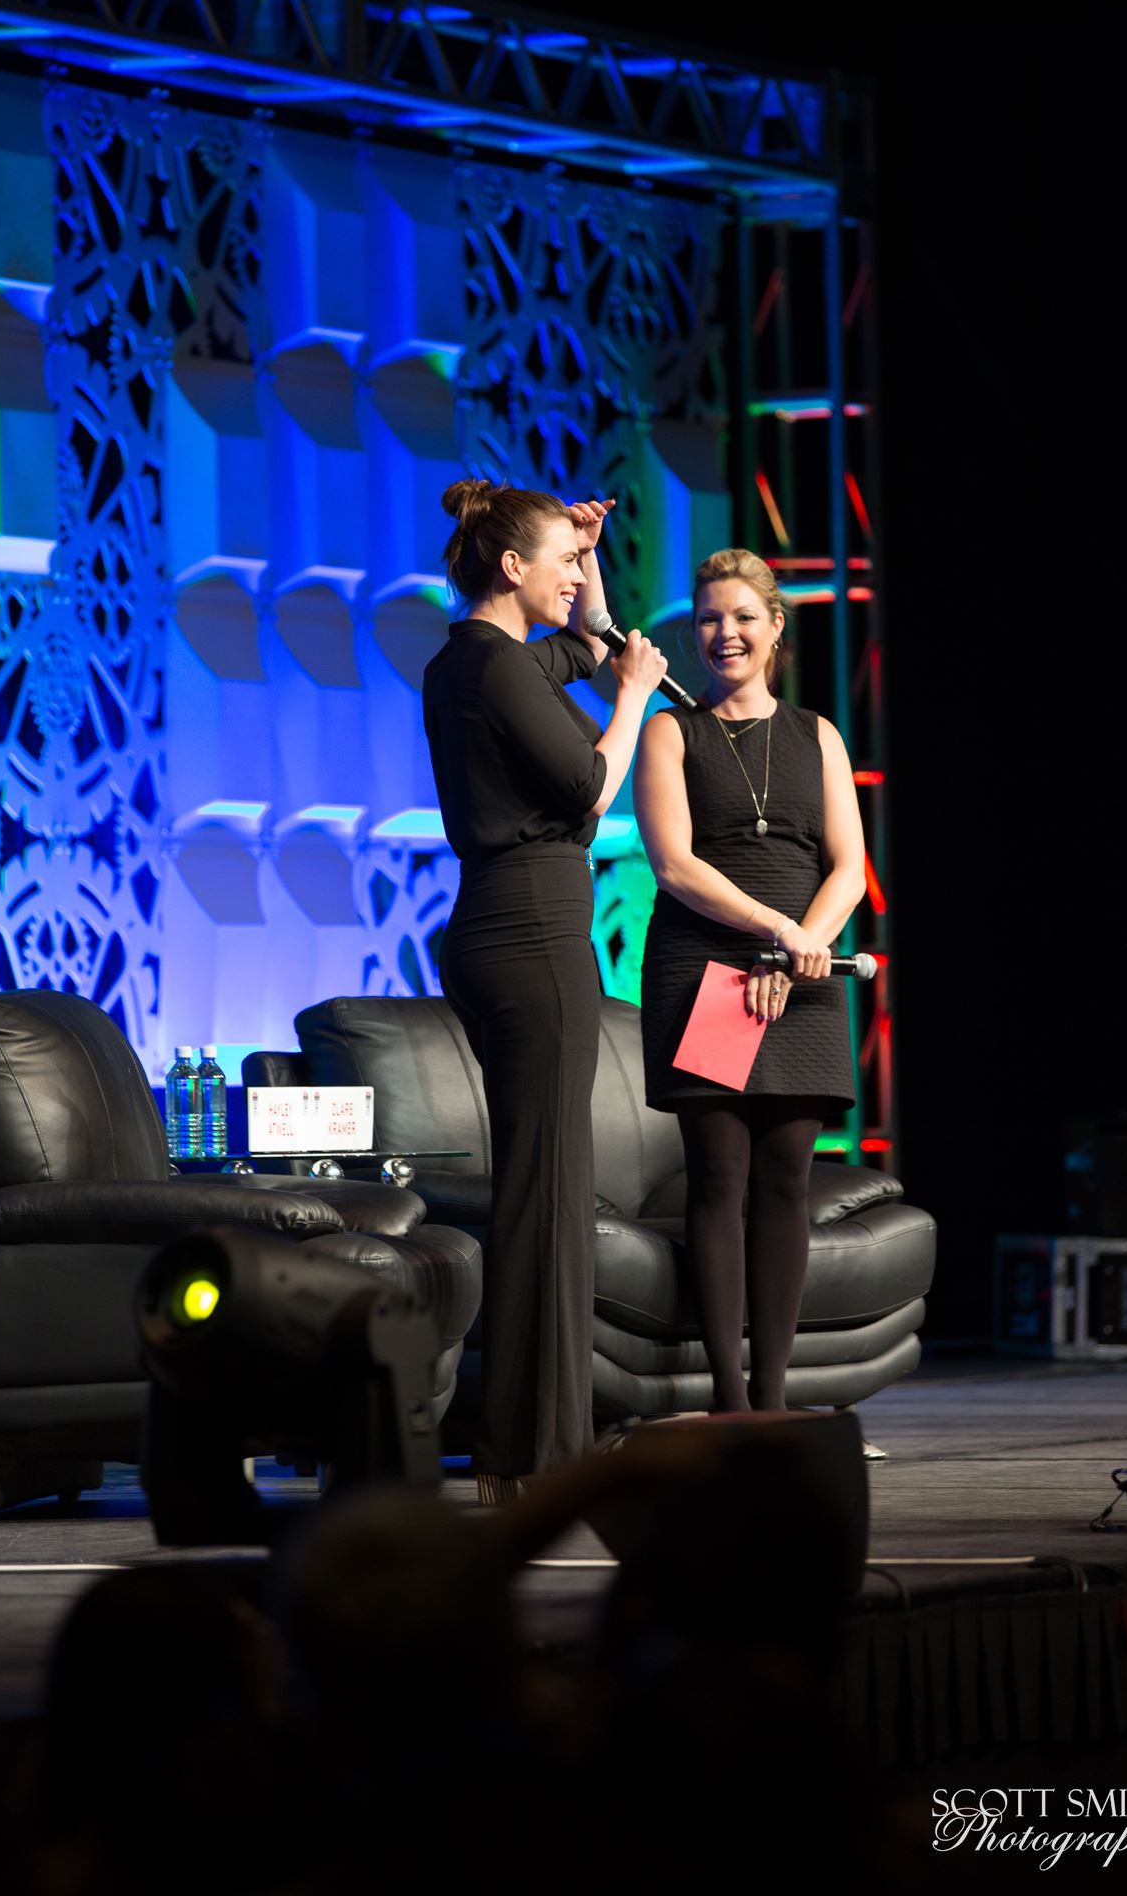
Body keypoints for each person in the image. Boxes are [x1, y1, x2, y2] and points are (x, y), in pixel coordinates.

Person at [423, 481, 667, 1503]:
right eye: (559, 558)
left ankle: (532, 1447)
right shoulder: (490, 666)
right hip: (528, 932)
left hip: (505, 926)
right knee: (547, 1196)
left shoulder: (479, 662)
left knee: (547, 1190)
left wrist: (591, 557)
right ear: (509, 567)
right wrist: (634, 701)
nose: (575, 571)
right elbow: (588, 788)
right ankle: (532, 1455)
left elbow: (590, 638)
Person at [633, 548, 866, 1414]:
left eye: (740, 617)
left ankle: (772, 1405)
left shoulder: (818, 735)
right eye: (706, 619)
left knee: (787, 1180)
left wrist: (803, 942)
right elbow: (674, 866)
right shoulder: (671, 730)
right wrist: (772, 933)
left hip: (802, 967)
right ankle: (729, 1404)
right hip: (708, 966)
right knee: (720, 1174)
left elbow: (848, 865)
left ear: (775, 628)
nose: (722, 634)